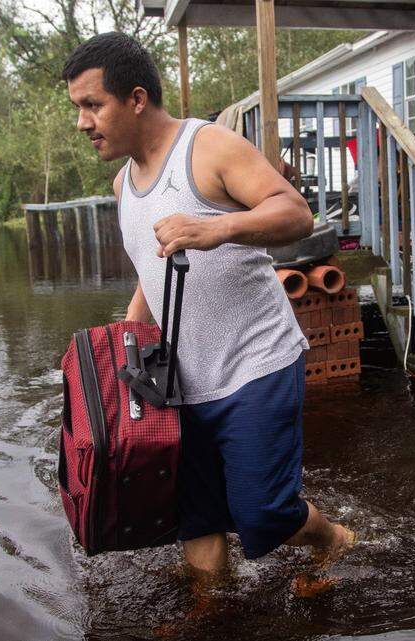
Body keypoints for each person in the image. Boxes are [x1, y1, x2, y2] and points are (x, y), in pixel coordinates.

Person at [61, 33, 354, 591]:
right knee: (194, 516)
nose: (82, 122)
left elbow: (295, 213)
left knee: (264, 516)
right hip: (182, 380)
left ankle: (333, 538)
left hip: (255, 364)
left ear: (137, 98)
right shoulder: (123, 184)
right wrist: (121, 353)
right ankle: (208, 613)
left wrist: (215, 228)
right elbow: (150, 275)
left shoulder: (208, 147)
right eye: (78, 107)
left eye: (92, 104)